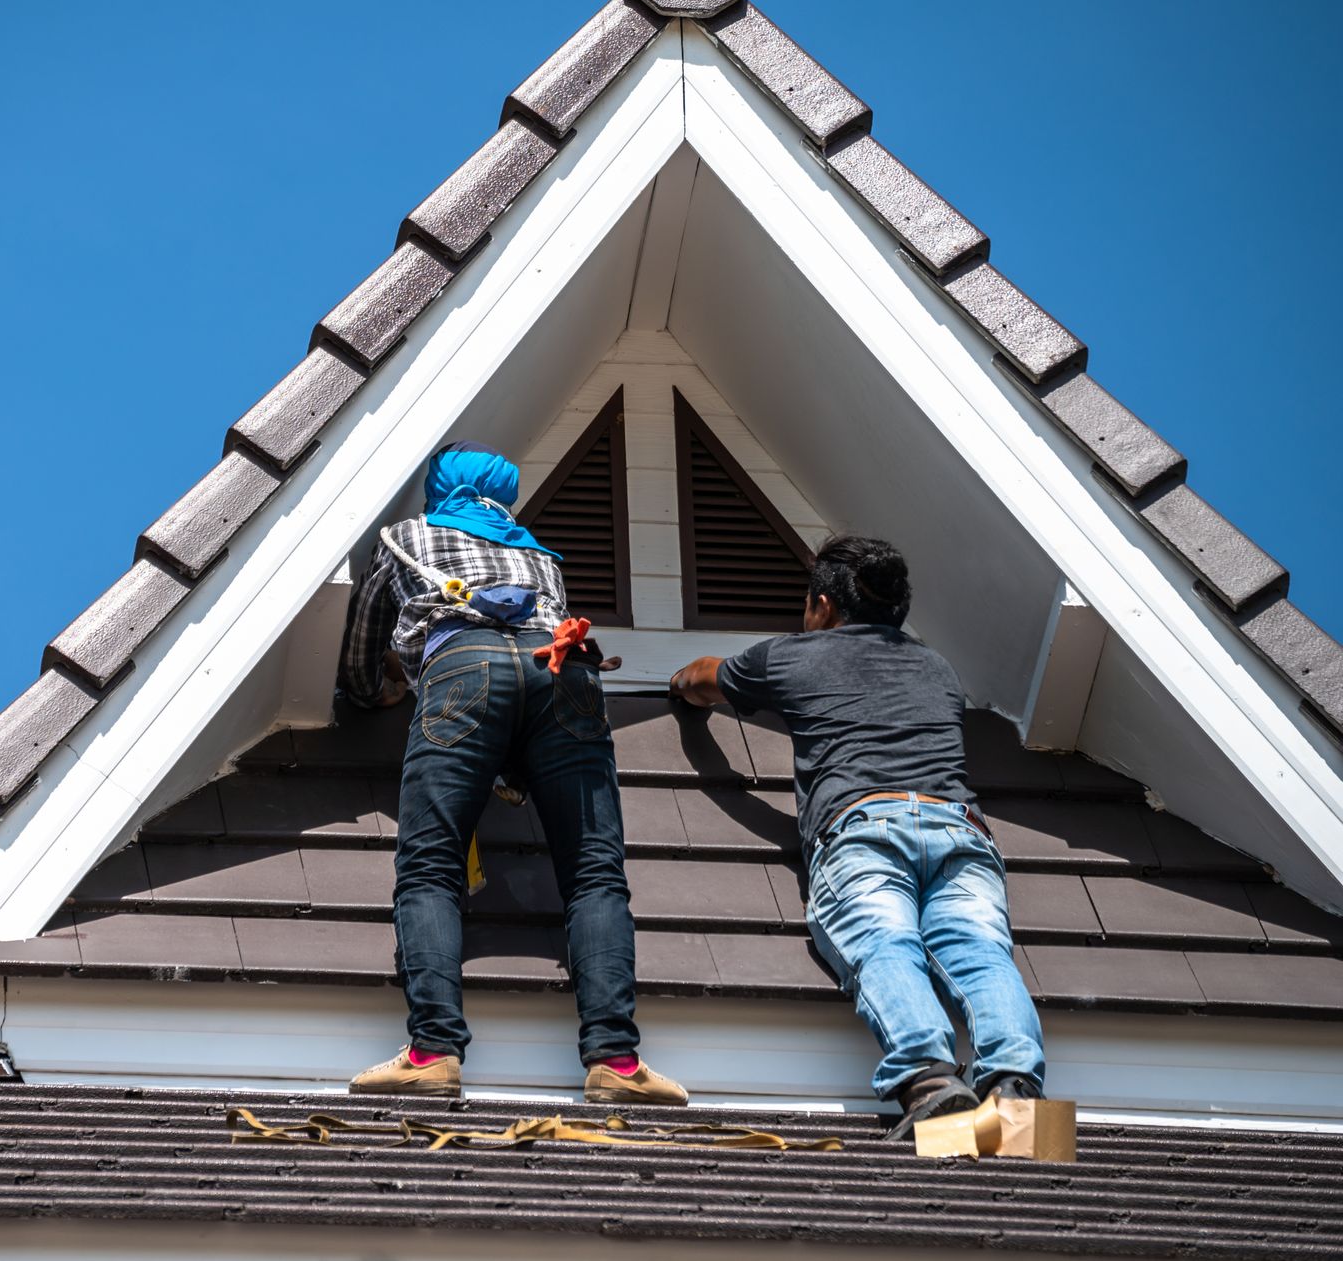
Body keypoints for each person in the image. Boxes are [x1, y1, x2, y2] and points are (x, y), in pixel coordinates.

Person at [336, 441, 686, 1105]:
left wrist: (370, 691)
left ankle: (432, 1050)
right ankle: (616, 1059)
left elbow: (361, 649)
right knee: (593, 871)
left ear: (439, 488)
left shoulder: (405, 535)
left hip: (462, 668)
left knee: (431, 866)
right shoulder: (539, 556)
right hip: (564, 670)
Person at [669, 535, 1045, 1138]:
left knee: (885, 942)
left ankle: (930, 1082)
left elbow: (703, 679)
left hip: (864, 827)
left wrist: (679, 685)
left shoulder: (793, 657)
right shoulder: (937, 668)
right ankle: (1015, 1096)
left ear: (822, 605)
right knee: (980, 954)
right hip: (961, 830)